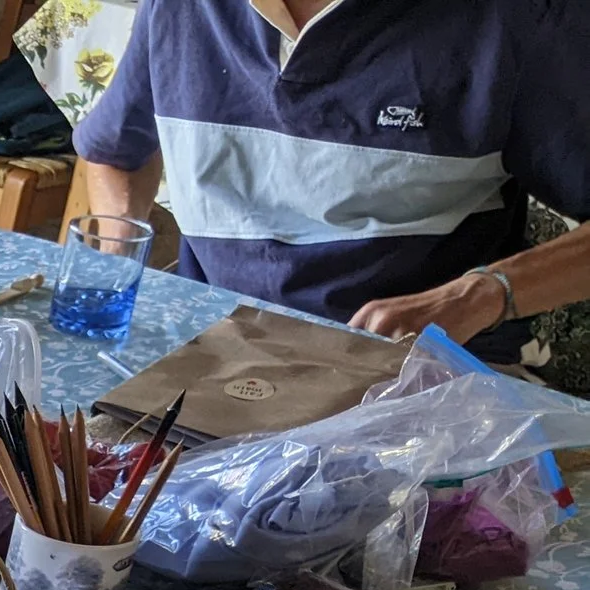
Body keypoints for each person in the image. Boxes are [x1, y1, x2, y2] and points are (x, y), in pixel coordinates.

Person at [72, 0, 590, 361]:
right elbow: (117, 151)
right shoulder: (181, 8)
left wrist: (475, 297)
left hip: (429, 378)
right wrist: (119, 266)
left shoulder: (519, 18)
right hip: (215, 356)